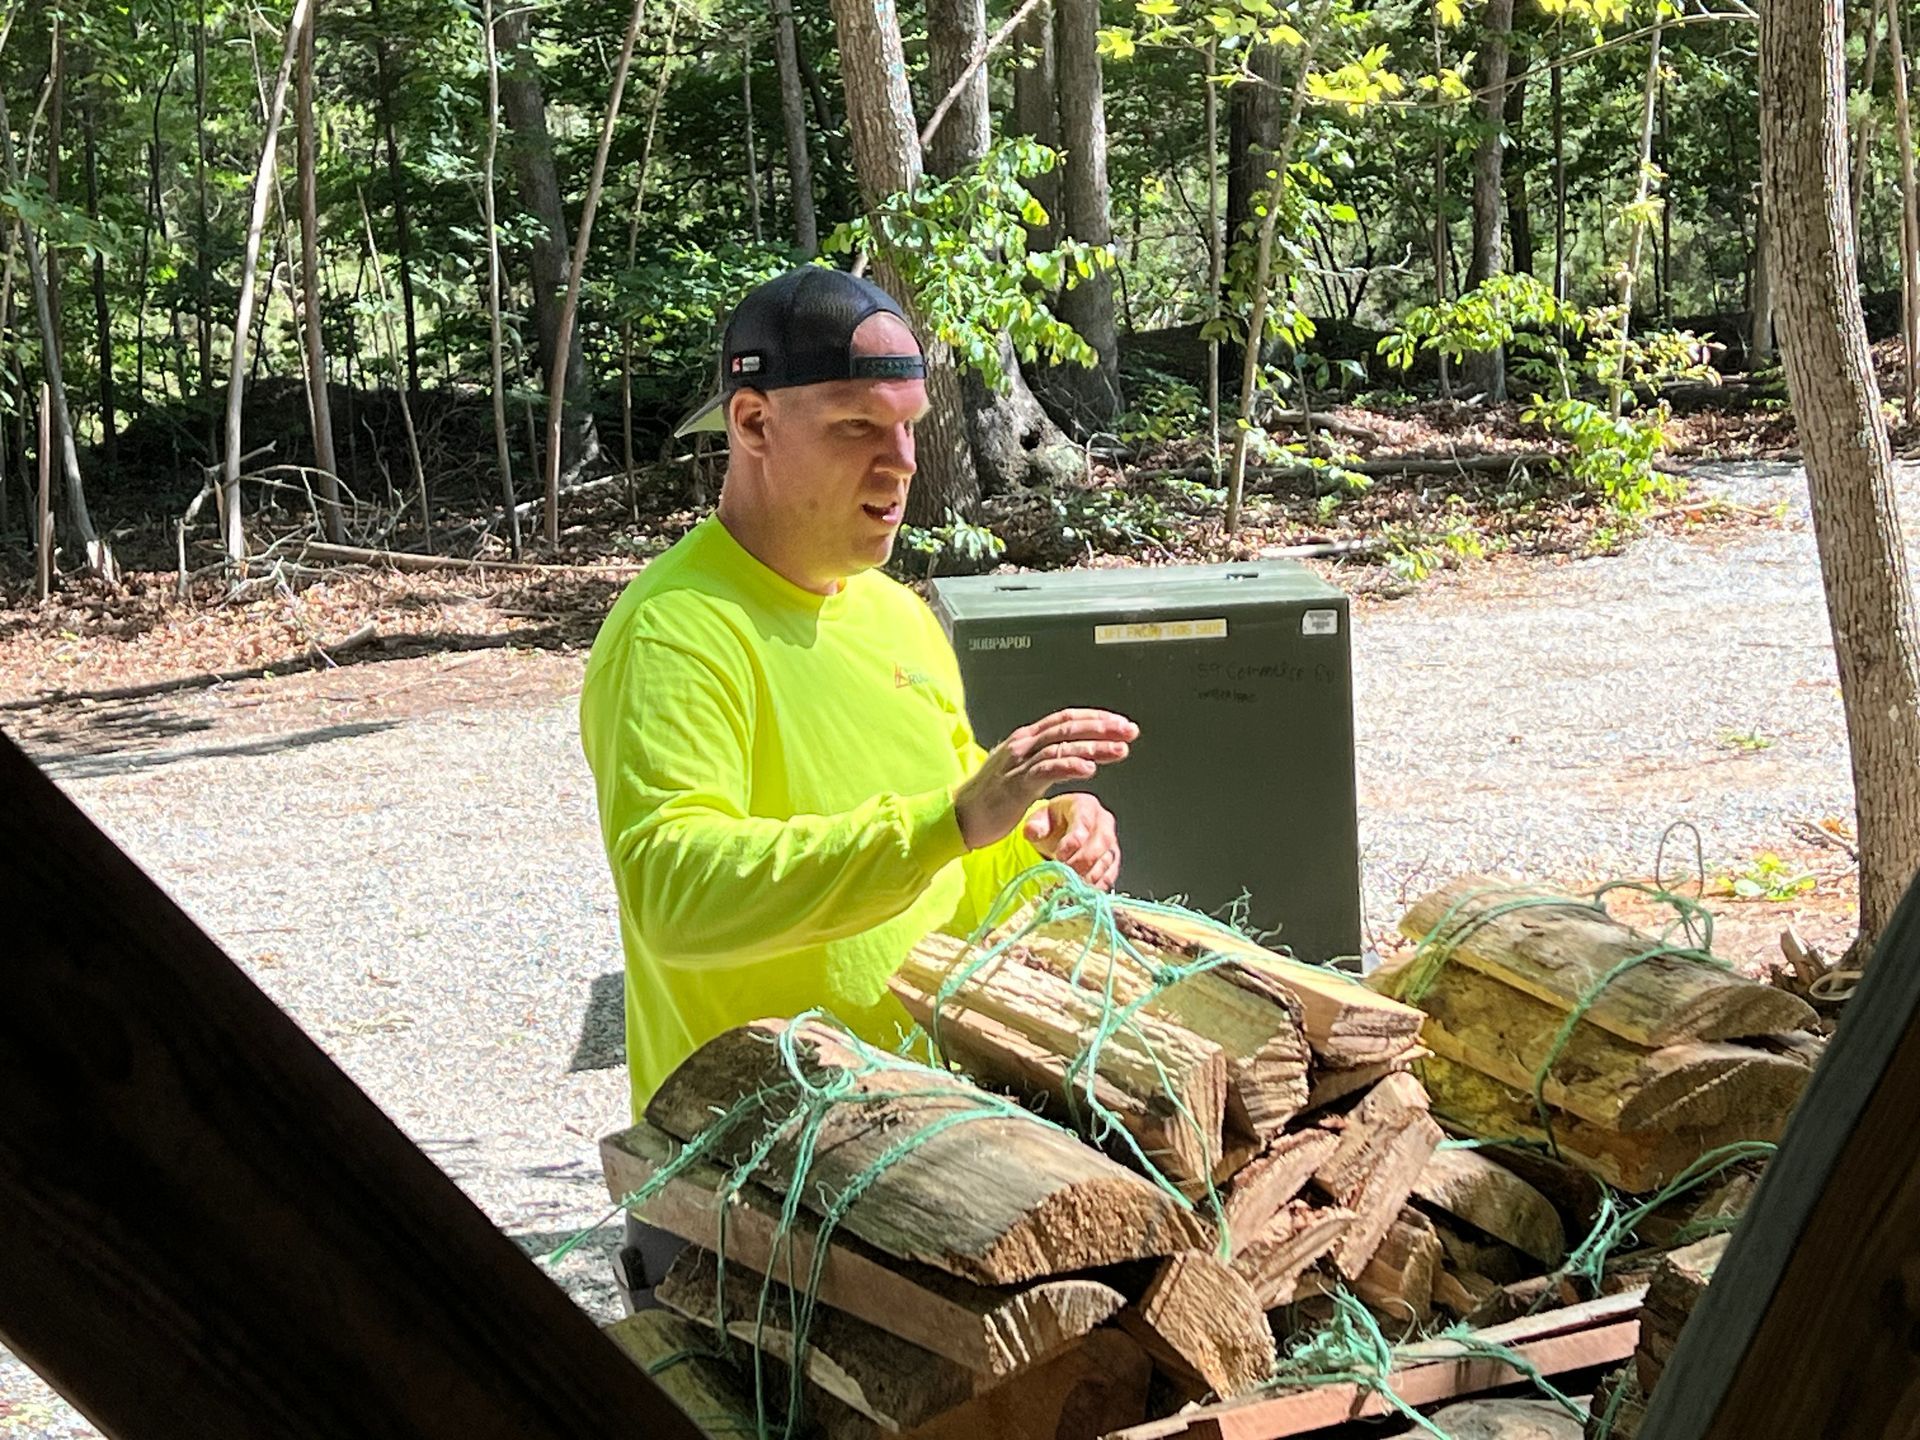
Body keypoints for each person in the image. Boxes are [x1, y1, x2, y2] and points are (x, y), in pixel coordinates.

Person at [579, 265, 1136, 1309]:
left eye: (910, 427)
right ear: (751, 422)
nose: (900, 465)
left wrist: (1041, 840)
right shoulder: (677, 631)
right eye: (853, 430)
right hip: (752, 1195)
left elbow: (945, 869)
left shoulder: (895, 615)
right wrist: (952, 819)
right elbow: (675, 893)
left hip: (926, 1168)